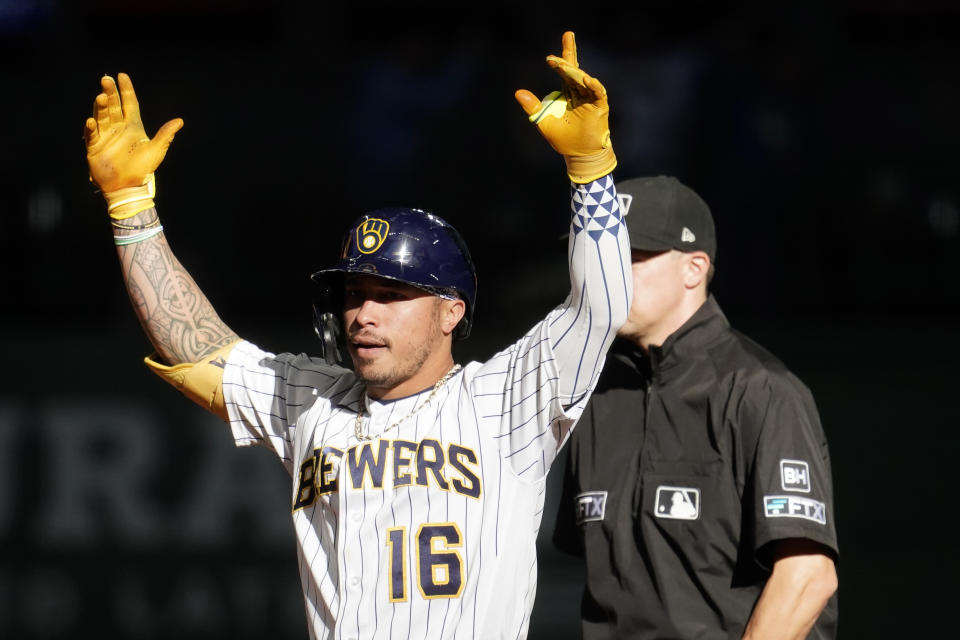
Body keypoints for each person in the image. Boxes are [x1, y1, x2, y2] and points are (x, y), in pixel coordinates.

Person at [84, 32, 632, 640]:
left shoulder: (508, 400)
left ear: (452, 312)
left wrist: (591, 171)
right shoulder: (309, 398)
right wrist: (130, 205)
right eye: (352, 294)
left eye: (391, 296)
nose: (363, 313)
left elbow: (601, 307)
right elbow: (195, 344)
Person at [553, 175, 839, 639]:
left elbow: (807, 576)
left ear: (694, 268)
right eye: (600, 255)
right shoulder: (593, 393)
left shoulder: (761, 389)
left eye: (631, 256)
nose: (607, 272)